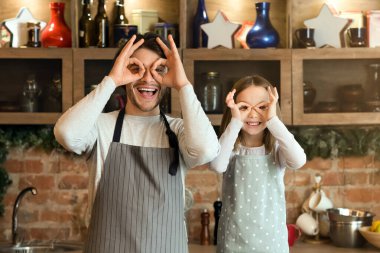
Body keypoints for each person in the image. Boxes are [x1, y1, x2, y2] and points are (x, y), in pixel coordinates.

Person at [54, 32, 220, 253]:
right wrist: (111, 80)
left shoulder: (179, 130)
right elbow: (66, 133)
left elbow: (206, 150)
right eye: (136, 68)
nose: (148, 78)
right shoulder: (101, 126)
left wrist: (183, 85)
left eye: (158, 69)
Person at [210, 75, 306, 253]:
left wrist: (273, 121)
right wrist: (235, 122)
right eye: (244, 107)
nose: (253, 114)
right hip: (233, 241)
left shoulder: (277, 148)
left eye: (262, 107)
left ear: (272, 109)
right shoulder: (231, 146)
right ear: (233, 109)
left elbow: (298, 160)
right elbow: (217, 165)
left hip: (272, 243)